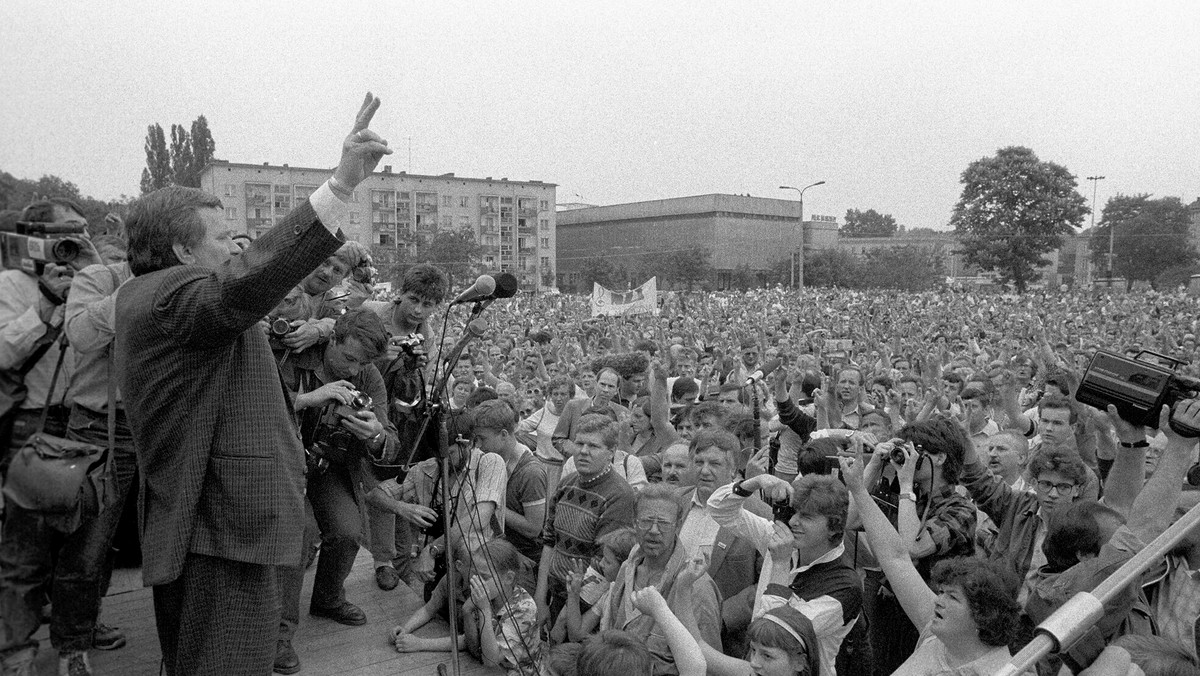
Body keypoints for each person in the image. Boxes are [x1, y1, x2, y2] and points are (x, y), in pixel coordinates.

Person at [113, 93, 391, 676]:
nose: (234, 246)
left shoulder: (171, 300)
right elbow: (248, 281)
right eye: (220, 237)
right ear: (183, 250)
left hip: (229, 528)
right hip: (221, 533)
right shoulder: (170, 296)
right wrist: (340, 185)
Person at [0, 200, 110, 676]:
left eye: (78, 235)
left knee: (85, 552)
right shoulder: (10, 284)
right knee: (24, 550)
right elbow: (3, 355)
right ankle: (16, 650)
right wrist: (44, 302)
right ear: (30, 238)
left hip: (86, 424)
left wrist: (94, 271)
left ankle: (74, 645)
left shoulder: (97, 279)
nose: (67, 248)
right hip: (34, 426)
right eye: (60, 236)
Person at [274, 307, 399, 672]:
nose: (353, 371)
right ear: (332, 338)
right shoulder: (294, 357)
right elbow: (259, 406)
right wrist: (309, 399)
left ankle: (327, 599)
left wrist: (374, 433)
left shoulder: (368, 375)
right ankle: (280, 632)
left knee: (348, 530)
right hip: (283, 465)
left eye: (362, 363)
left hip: (327, 467)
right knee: (301, 533)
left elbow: (390, 441)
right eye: (348, 359)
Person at [840, 453, 1022, 676]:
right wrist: (858, 489)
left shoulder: (1005, 671)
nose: (938, 600)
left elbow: (909, 550)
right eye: (943, 592)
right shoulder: (938, 635)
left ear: (984, 614)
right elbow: (896, 559)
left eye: (953, 597)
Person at [600, 484, 724, 673]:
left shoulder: (697, 586)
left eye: (664, 523)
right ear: (634, 522)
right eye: (646, 521)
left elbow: (710, 668)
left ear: (678, 523)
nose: (654, 530)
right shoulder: (627, 569)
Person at [536, 414, 637, 629]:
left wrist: (565, 620)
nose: (582, 451)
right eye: (579, 443)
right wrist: (540, 597)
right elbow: (549, 541)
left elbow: (603, 565)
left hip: (584, 610)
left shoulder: (619, 496)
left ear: (611, 452)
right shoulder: (566, 484)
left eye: (593, 446)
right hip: (555, 594)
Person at [472, 399, 548, 585]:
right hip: (497, 553)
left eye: (483, 438)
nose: (478, 445)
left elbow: (533, 528)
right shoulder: (490, 459)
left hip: (523, 564)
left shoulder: (531, 473)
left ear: (504, 434)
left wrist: (490, 505)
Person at [462, 538, 544, 676]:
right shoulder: (490, 596)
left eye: (484, 577)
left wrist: (484, 611)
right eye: (475, 574)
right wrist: (421, 644)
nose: (475, 581)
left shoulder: (524, 608)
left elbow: (491, 660)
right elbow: (473, 643)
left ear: (508, 578)